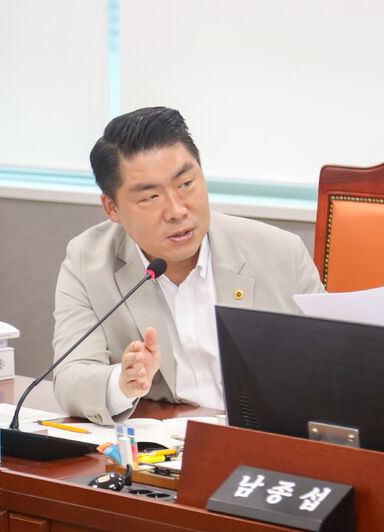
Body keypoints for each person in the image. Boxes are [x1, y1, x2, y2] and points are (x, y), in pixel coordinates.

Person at [52, 107, 324, 425]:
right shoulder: (88, 261)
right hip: (162, 445)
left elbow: (335, 367)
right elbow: (70, 379)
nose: (177, 211)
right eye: (150, 197)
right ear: (112, 208)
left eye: (185, 184)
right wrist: (123, 383)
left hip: (264, 437)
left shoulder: (280, 254)